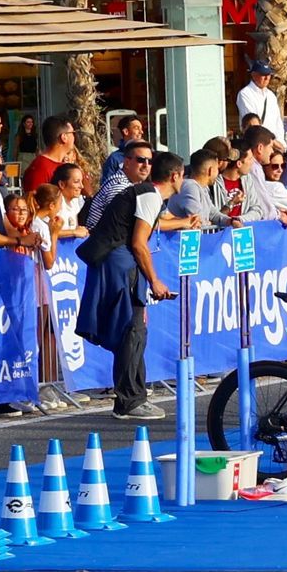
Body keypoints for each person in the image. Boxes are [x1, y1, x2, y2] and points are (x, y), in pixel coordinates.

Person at [75, 152, 198, 421]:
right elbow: (139, 243)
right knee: (132, 330)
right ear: (175, 176)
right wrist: (154, 280)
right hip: (120, 266)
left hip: (119, 263)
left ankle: (133, 395)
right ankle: (129, 401)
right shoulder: (150, 196)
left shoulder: (148, 196)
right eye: (183, 176)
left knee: (134, 330)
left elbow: (148, 226)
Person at [87, 140, 154, 228]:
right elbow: (137, 223)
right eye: (141, 160)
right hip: (104, 239)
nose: (146, 165)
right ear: (126, 163)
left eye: (150, 161)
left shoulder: (132, 184)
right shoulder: (119, 186)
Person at [170, 148, 237, 227]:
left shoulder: (203, 188)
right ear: (210, 170)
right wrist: (208, 223)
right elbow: (198, 221)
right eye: (217, 169)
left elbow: (213, 214)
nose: (218, 173)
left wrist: (230, 221)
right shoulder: (190, 187)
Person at [237, 60, 287, 144]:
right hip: (256, 143)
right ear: (253, 75)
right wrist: (271, 142)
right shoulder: (245, 94)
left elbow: (278, 121)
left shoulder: (271, 95)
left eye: (268, 75)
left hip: (273, 143)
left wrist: (281, 142)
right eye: (263, 75)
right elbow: (253, 123)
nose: (267, 78)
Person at [23, 115, 75, 192]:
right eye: (72, 133)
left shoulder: (63, 165)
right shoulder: (40, 168)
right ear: (64, 137)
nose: (74, 137)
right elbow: (33, 201)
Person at [102, 114, 146, 181]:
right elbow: (106, 185)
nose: (141, 132)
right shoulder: (114, 159)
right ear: (126, 131)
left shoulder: (147, 155)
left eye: (141, 129)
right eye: (137, 128)